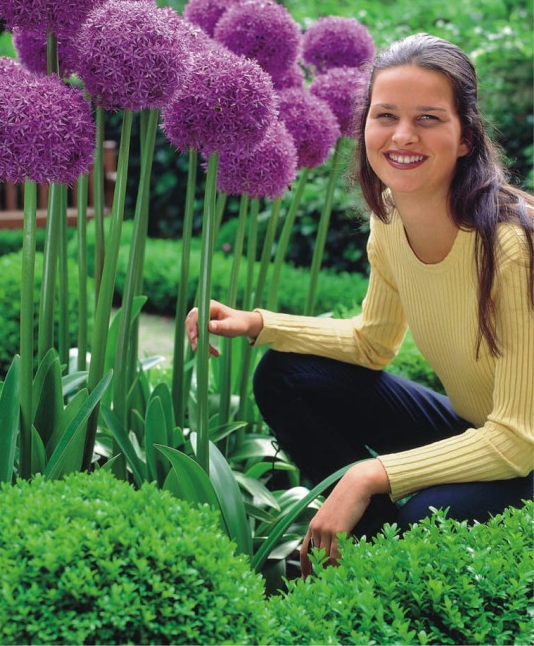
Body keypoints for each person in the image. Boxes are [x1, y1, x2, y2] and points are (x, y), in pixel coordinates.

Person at [185, 32, 534, 577]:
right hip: (474, 432)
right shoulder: (391, 216)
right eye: (385, 115)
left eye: (428, 118)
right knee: (287, 374)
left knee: (422, 517)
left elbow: (516, 440)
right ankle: (360, 552)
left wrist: (371, 475)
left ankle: (376, 542)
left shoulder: (510, 248)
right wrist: (257, 324)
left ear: (466, 136)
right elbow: (372, 343)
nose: (401, 135)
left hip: (523, 454)